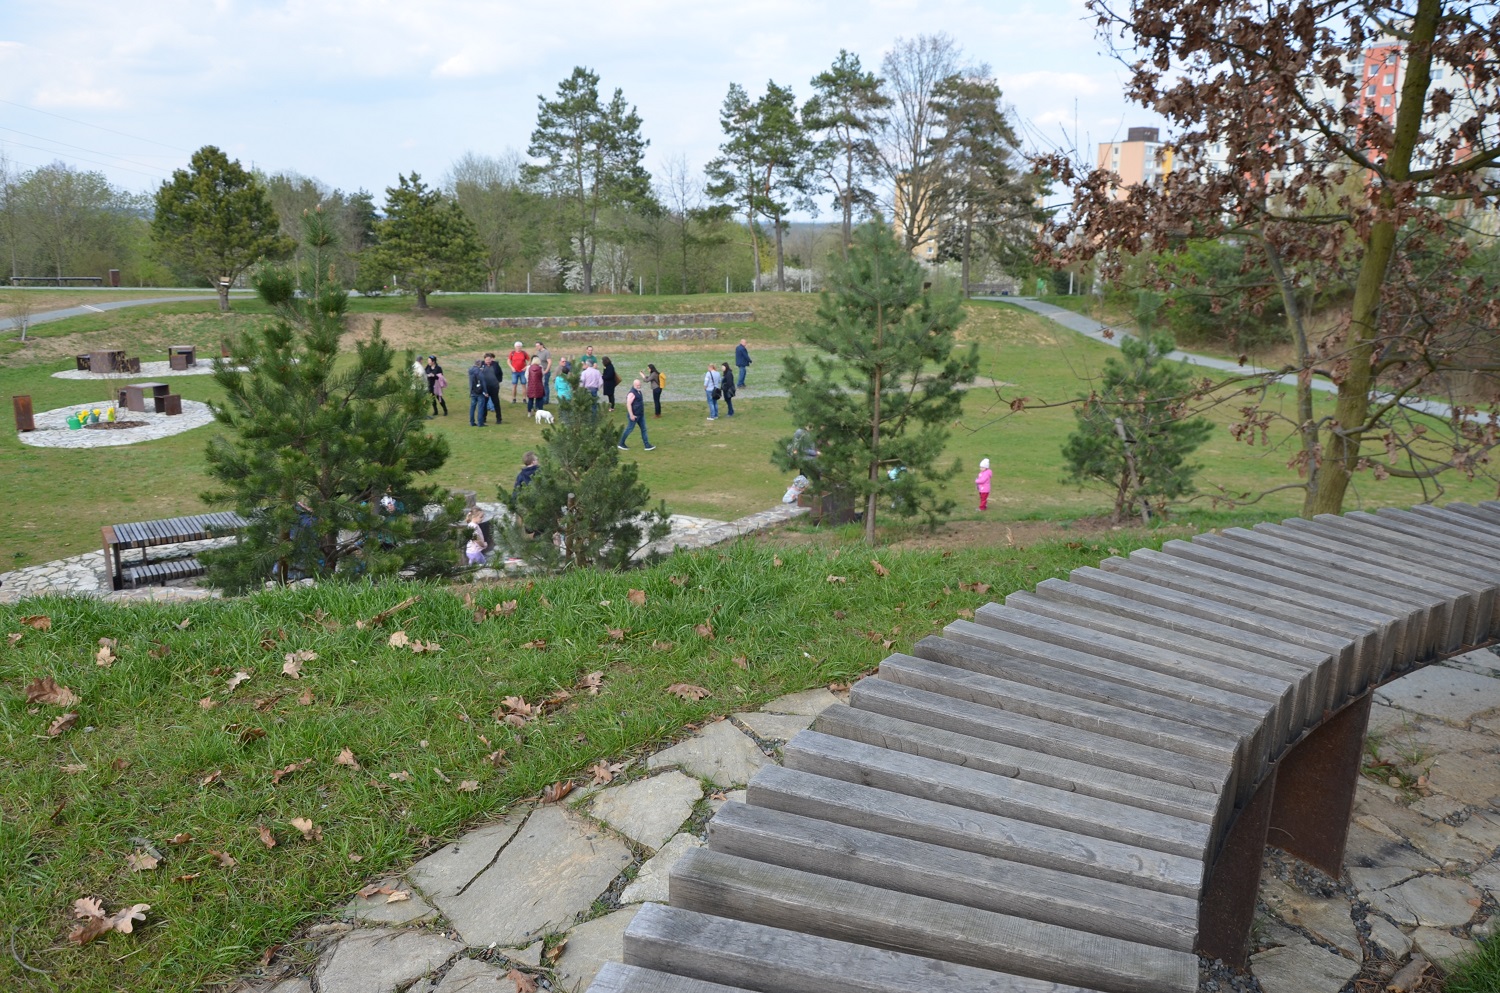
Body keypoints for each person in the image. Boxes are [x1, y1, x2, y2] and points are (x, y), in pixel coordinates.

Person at [618, 379, 655, 451]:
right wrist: (631, 415)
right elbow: (628, 404)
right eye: (637, 385)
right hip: (634, 416)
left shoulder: (639, 392)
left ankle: (647, 445)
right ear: (634, 385)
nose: (639, 386)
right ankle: (621, 443)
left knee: (644, 429)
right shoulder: (631, 393)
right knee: (629, 429)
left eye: (639, 385)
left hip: (640, 415)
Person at [481, 352, 503, 424]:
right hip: (485, 388)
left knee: (496, 403)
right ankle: (483, 418)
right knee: (484, 403)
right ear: (484, 359)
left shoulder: (495, 364)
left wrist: (498, 381)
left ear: (491, 359)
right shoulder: (481, 365)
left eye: (489, 359)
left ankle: (499, 419)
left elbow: (500, 373)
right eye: (487, 359)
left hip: (494, 387)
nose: (488, 361)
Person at [468, 356, 488, 426]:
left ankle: (471, 422)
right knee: (480, 407)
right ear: (479, 364)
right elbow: (483, 382)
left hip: (472, 391)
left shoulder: (470, 370)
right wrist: (486, 392)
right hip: (479, 392)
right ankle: (480, 422)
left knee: (472, 407)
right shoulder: (479, 371)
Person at [534, 340, 552, 404]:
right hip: (539, 371)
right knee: (540, 386)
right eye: (536, 346)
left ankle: (546, 399)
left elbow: (549, 362)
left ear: (541, 345)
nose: (537, 347)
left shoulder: (546, 352)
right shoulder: (538, 352)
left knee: (545, 385)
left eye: (538, 345)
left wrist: (546, 371)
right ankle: (541, 398)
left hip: (545, 371)